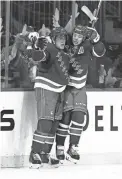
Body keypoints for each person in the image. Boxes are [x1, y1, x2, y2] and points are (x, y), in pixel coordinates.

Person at [55, 25, 103, 163]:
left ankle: (73, 147)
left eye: (79, 36)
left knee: (79, 118)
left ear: (83, 38)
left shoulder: (87, 46)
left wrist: (96, 39)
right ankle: (60, 147)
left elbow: (100, 51)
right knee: (65, 119)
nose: (76, 38)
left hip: (81, 87)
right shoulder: (67, 44)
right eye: (75, 35)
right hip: (67, 87)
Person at [29, 27, 70, 168]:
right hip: (46, 88)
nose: (63, 40)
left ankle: (45, 154)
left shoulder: (63, 54)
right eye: (59, 38)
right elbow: (39, 56)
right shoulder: (50, 49)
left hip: (59, 91)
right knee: (46, 122)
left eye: (64, 38)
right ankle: (34, 153)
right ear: (53, 38)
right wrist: (36, 48)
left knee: (54, 125)